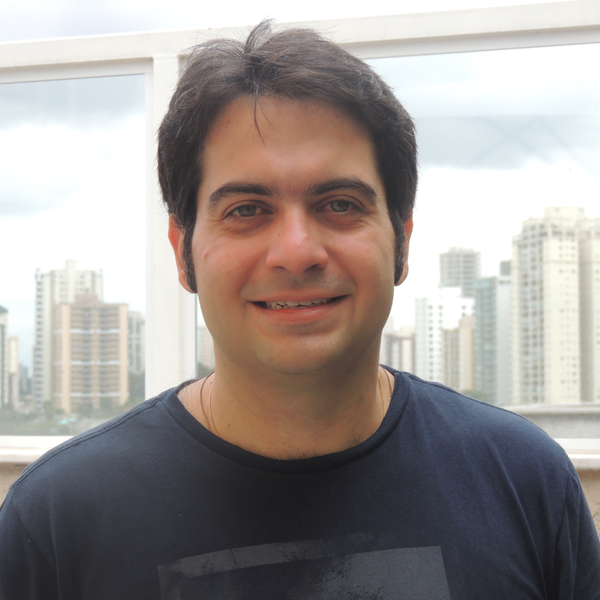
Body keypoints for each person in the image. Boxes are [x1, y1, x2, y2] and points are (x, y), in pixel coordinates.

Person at [1, 21, 599, 600]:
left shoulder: (524, 481)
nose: (297, 251)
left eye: (339, 204)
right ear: (182, 253)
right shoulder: (57, 521)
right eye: (246, 210)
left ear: (402, 243)